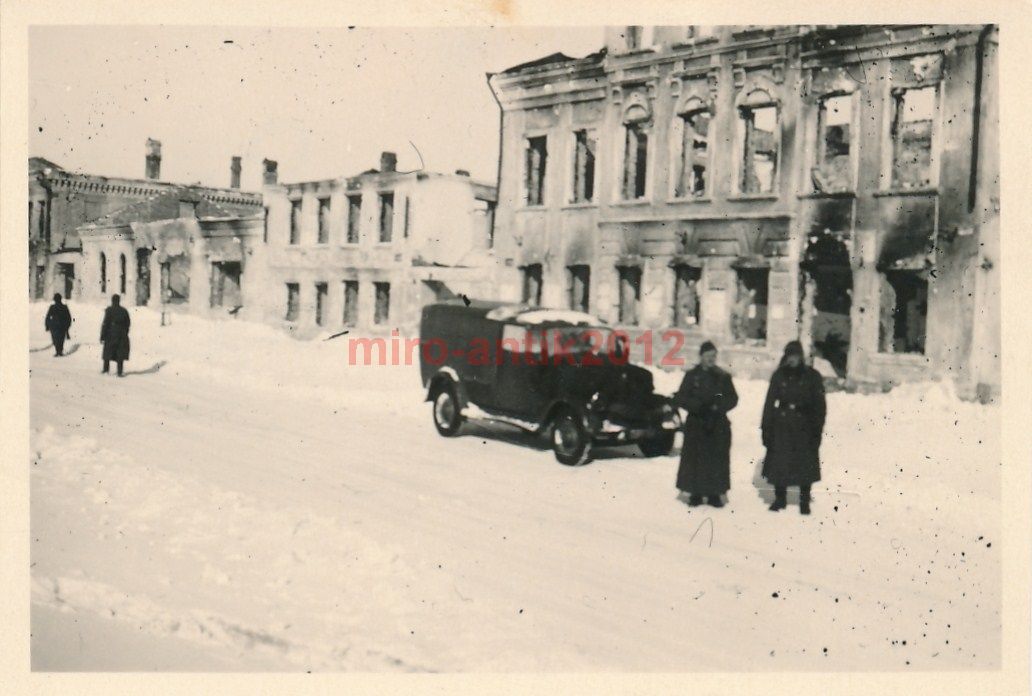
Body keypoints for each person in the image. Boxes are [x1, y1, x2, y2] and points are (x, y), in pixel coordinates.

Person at [761, 341, 827, 515]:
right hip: (781, 424)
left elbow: (820, 407)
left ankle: (804, 501)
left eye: (796, 356)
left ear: (801, 357)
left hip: (804, 425)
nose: (792, 360)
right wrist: (765, 428)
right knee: (780, 462)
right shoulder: (779, 375)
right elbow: (769, 403)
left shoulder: (813, 376)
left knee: (805, 463)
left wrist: (817, 430)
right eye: (789, 356)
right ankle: (779, 498)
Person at [673, 341, 739, 508]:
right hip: (697, 423)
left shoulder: (723, 376)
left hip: (717, 424)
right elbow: (681, 397)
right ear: (701, 356)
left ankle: (715, 494)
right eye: (708, 356)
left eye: (714, 356)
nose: (711, 359)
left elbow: (733, 398)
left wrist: (719, 406)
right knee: (695, 459)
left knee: (716, 459)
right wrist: (695, 405)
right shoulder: (691, 376)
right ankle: (695, 493)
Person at [100, 294, 131, 377]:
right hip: (121, 334)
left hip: (110, 333)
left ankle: (106, 369)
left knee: (108, 351)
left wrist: (102, 335)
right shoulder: (124, 310)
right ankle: (119, 371)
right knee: (120, 352)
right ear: (119, 301)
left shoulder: (109, 310)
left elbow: (105, 323)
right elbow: (128, 323)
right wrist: (125, 332)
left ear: (112, 301)